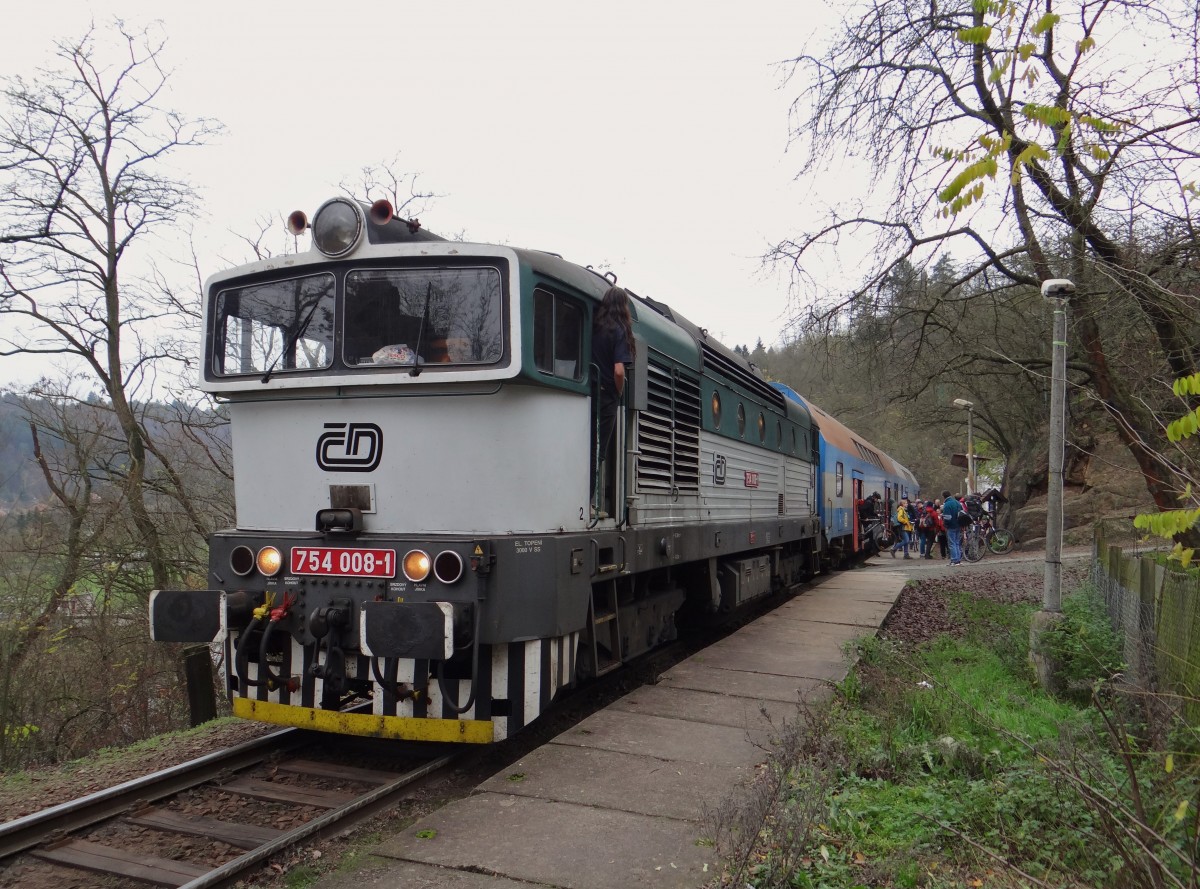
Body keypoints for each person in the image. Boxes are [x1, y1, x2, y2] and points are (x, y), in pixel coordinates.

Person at [590, 286, 635, 516]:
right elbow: (619, 370)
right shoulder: (620, 330)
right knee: (599, 450)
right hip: (606, 392)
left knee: (587, 445)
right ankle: (590, 503)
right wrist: (619, 391)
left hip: (588, 390)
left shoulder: (594, 326)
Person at [940, 490, 965, 565]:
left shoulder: (947, 504)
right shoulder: (957, 502)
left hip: (951, 526)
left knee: (952, 543)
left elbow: (947, 517)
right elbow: (962, 513)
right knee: (957, 543)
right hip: (958, 525)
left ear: (943, 496)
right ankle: (958, 559)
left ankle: (954, 560)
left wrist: (945, 525)